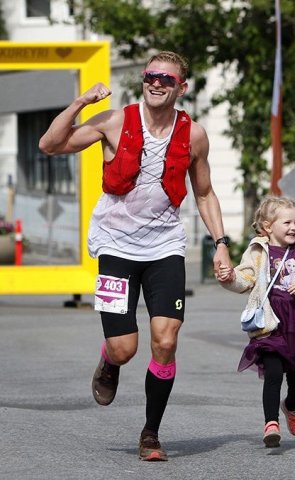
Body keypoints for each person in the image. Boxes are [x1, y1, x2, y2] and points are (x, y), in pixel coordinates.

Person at [38, 51, 232, 461]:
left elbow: (204, 192)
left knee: (166, 340)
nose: (156, 83)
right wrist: (79, 104)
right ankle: (109, 362)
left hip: (165, 246)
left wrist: (221, 243)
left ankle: (150, 434)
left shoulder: (193, 134)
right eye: (150, 76)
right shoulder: (114, 121)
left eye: (166, 78)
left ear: (182, 87)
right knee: (125, 348)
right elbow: (50, 144)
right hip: (115, 245)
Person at [217, 196, 295, 448]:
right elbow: (245, 278)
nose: (293, 227)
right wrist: (229, 277)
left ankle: (291, 407)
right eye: (287, 222)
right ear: (268, 226)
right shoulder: (257, 250)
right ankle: (271, 423)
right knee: (273, 373)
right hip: (269, 323)